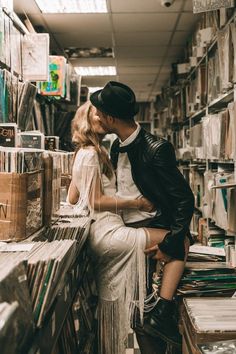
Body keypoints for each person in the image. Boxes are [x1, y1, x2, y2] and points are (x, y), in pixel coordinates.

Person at [90, 81, 195, 352]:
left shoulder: (156, 149)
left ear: (111, 117)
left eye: (100, 112)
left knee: (150, 316)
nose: (98, 116)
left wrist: (171, 241)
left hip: (152, 231)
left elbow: (184, 199)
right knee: (137, 316)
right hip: (129, 232)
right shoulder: (115, 147)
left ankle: (163, 309)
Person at [67, 101, 172, 354]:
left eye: (105, 113)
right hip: (110, 232)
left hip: (100, 232)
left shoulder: (85, 152)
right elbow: (94, 200)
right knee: (176, 239)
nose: (103, 117)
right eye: (97, 113)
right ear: (86, 118)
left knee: (136, 297)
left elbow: (72, 198)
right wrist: (136, 203)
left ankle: (153, 308)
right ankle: (162, 311)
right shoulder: (91, 154)